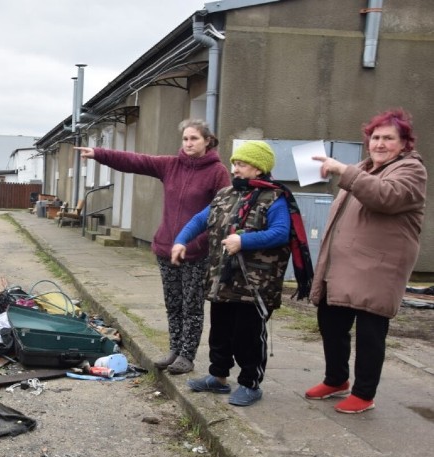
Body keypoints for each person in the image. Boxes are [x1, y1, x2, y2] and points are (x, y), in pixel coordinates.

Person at [75, 119, 229, 375]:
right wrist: (99, 154)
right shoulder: (171, 165)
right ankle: (174, 349)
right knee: (173, 303)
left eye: (194, 139)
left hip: (196, 251)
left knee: (191, 306)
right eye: (185, 139)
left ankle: (187, 356)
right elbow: (136, 161)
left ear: (207, 141)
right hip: (166, 248)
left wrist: (202, 241)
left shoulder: (217, 172)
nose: (188, 143)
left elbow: (222, 210)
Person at [172, 141, 313, 406]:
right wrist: (181, 241)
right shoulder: (226, 194)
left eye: (242, 164)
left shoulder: (276, 197)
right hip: (222, 279)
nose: (235, 169)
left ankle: (250, 383)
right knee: (220, 332)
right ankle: (218, 377)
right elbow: (199, 220)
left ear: (259, 169)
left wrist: (243, 241)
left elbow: (281, 233)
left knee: (247, 336)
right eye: (235, 163)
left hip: (255, 285)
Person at [306, 108, 427, 413]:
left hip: (380, 267)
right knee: (330, 321)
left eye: (389, 138)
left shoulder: (411, 170)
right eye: (375, 137)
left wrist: (344, 171)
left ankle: (364, 394)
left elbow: (385, 197)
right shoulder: (364, 167)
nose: (380, 143)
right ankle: (336, 379)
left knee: (370, 332)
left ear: (404, 144)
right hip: (344, 266)